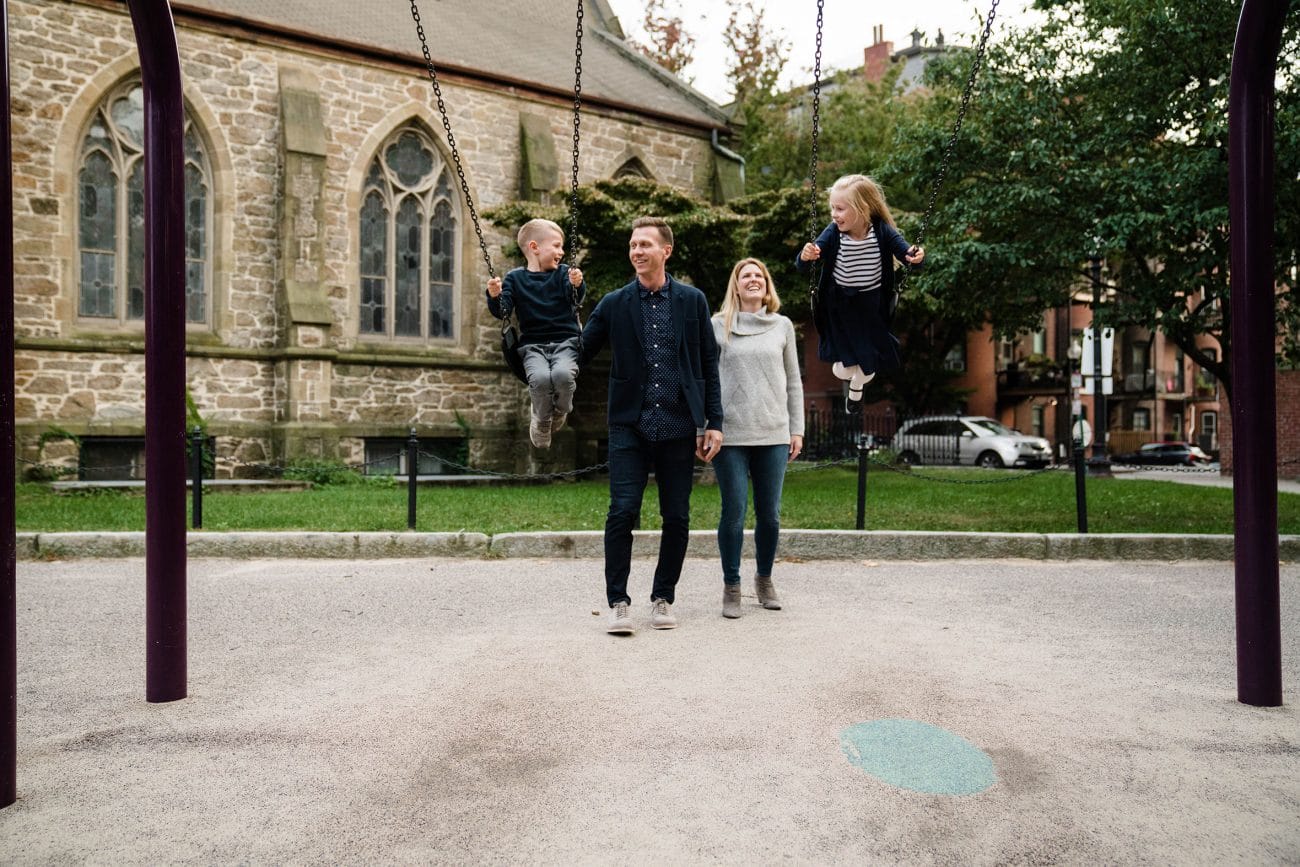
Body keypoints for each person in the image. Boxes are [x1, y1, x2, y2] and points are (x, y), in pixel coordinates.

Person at [579, 216, 724, 635]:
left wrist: (713, 421)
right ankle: (618, 602)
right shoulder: (613, 303)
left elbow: (707, 365)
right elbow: (580, 352)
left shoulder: (693, 301)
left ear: (666, 251)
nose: (637, 251)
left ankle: (663, 597)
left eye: (645, 244)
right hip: (630, 424)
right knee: (622, 511)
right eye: (632, 245)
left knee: (676, 516)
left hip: (680, 425)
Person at [711, 258, 804, 619]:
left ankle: (764, 580)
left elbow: (793, 380)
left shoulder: (782, 326)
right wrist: (705, 428)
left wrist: (796, 428)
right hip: (730, 433)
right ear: (735, 286)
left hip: (773, 433)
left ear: (767, 285)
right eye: (745, 275)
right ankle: (731, 586)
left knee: (770, 515)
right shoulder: (718, 326)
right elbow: (707, 380)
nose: (753, 279)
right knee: (733, 513)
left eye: (759, 275)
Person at [797, 174, 925, 413]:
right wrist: (807, 256)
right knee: (843, 367)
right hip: (839, 305)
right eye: (832, 208)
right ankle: (854, 386)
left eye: (840, 208)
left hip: (870, 306)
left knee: (869, 361)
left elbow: (908, 256)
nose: (834, 214)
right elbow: (808, 260)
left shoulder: (882, 232)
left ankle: (856, 390)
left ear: (862, 209)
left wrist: (916, 257)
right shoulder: (833, 232)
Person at [486, 218, 585, 448]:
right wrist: (494, 295)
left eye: (562, 246)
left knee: (563, 376)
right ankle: (541, 420)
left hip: (566, 342)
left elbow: (575, 300)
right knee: (539, 380)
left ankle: (560, 412)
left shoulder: (563, 274)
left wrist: (577, 284)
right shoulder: (514, 279)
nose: (562, 251)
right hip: (532, 347)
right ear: (534, 247)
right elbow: (503, 311)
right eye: (557, 245)